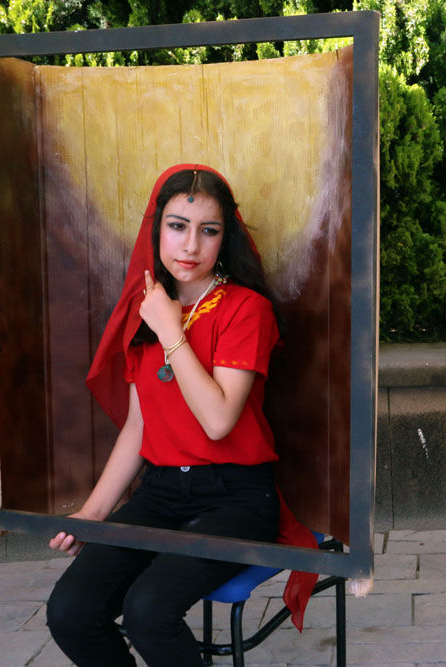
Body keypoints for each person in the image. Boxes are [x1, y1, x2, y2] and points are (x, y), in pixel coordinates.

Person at [46, 164, 317, 667]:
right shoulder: (147, 309)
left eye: (208, 231)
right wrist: (93, 513)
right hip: (160, 493)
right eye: (177, 226)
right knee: (70, 612)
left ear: (224, 238)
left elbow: (218, 420)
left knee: (148, 611)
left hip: (235, 498)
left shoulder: (246, 309)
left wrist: (171, 332)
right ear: (157, 231)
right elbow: (138, 426)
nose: (191, 245)